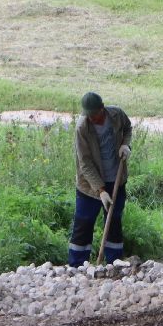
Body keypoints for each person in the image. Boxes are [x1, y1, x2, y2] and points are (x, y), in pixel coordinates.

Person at [69, 91, 132, 267]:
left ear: (102, 109)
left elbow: (127, 128)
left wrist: (125, 144)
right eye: (88, 115)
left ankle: (114, 262)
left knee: (113, 221)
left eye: (94, 115)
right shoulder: (82, 128)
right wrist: (101, 190)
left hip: (116, 179)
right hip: (89, 185)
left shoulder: (116, 115)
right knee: (84, 222)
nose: (92, 119)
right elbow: (85, 164)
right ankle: (76, 265)